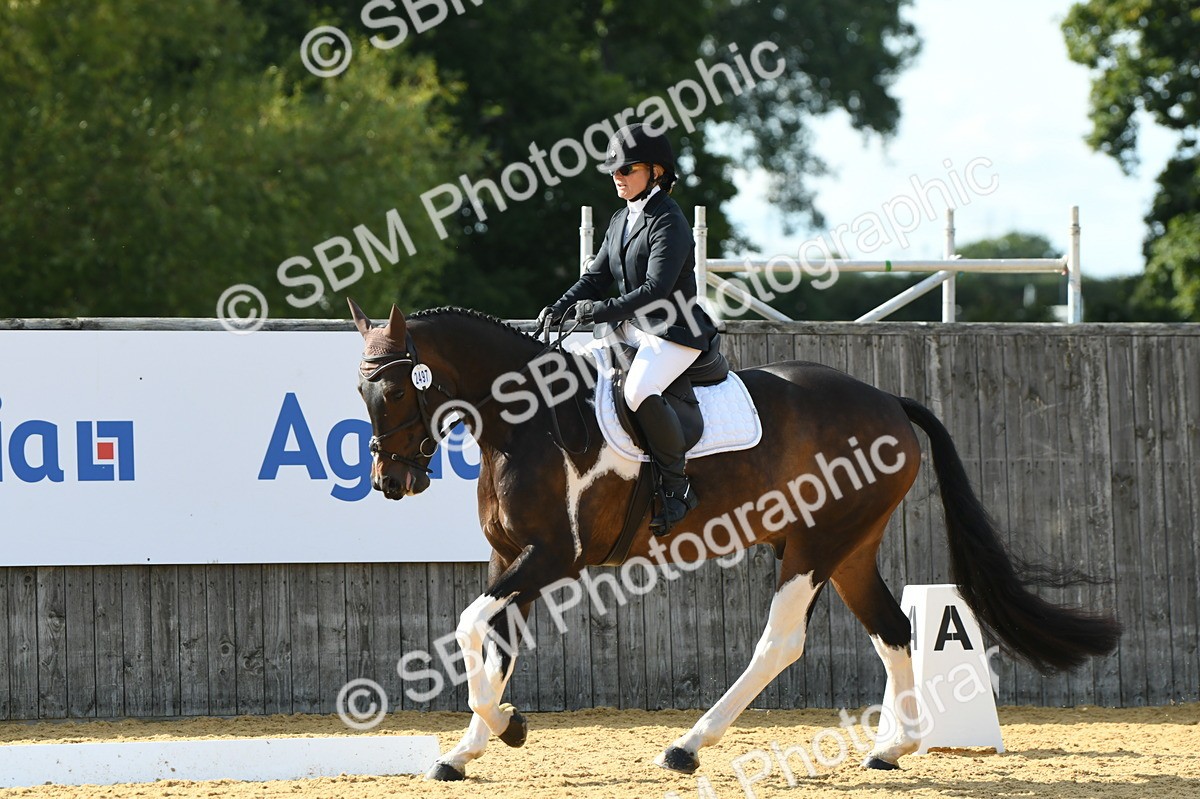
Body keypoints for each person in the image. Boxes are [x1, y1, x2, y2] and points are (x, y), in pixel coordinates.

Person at [536, 123, 719, 534]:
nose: (617, 177)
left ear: (656, 171)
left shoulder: (668, 221)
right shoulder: (621, 219)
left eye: (627, 169)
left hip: (674, 329)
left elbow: (655, 290)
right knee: (577, 373)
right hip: (631, 329)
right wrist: (561, 306)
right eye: (614, 171)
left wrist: (597, 311)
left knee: (637, 391)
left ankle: (677, 487)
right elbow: (596, 277)